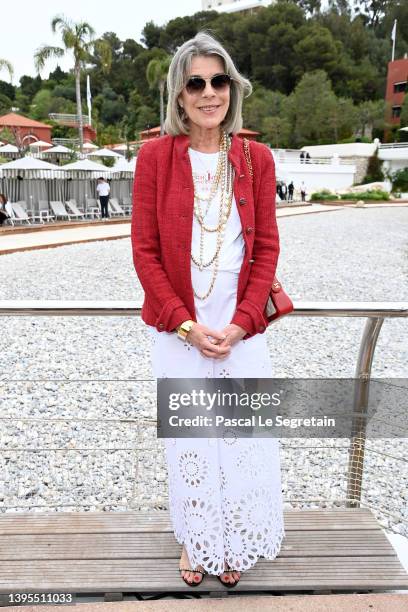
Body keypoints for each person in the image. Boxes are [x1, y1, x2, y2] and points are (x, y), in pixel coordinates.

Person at [131, 31, 285, 589]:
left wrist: (243, 323)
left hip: (241, 329)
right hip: (181, 332)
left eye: (218, 80)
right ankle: (197, 541)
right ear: (178, 94)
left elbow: (265, 247)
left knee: (240, 438)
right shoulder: (154, 158)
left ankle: (236, 537)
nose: (209, 92)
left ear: (232, 89)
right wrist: (188, 326)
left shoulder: (255, 158)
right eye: (196, 82)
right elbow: (144, 254)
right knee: (193, 439)